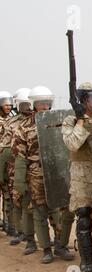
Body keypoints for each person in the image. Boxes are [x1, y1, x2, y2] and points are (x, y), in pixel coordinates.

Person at [12, 86, 75, 263]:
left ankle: (61, 245)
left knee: (67, 210)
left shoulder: (60, 121)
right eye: (41, 103)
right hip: (36, 173)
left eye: (47, 103)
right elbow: (20, 156)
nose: (45, 107)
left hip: (59, 171)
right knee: (40, 211)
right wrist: (20, 182)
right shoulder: (23, 127)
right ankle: (46, 249)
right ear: (33, 104)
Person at [62, 82, 92, 272]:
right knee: (84, 217)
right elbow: (72, 144)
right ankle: (87, 261)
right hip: (81, 175)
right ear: (84, 100)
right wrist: (81, 122)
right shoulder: (71, 120)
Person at [0, 89, 37, 254]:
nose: (27, 107)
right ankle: (20, 231)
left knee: (36, 203)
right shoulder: (12, 123)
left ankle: (38, 237)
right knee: (17, 199)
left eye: (28, 103)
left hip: (35, 168)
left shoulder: (38, 120)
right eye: (23, 104)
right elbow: (6, 147)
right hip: (14, 166)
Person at [0, 91, 14, 236]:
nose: (8, 106)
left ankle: (8, 223)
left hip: (7, 161)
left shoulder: (12, 120)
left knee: (8, 194)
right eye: (5, 104)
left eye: (10, 104)